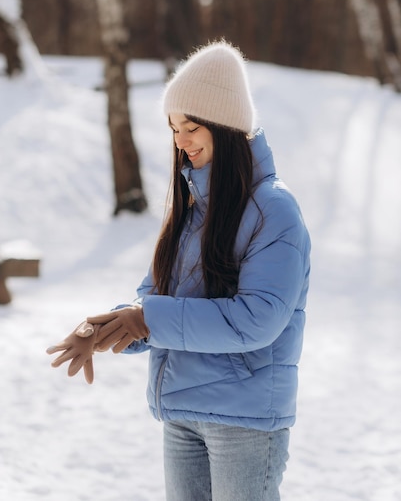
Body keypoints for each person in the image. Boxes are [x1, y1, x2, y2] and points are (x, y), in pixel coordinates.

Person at [47, 41, 311, 501]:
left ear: (227, 128)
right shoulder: (192, 210)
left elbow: (257, 320)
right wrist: (108, 327)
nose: (180, 141)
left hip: (243, 420)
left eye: (191, 127)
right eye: (173, 128)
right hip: (183, 412)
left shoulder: (274, 210)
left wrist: (144, 318)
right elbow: (153, 298)